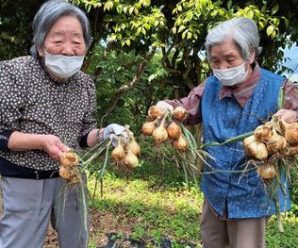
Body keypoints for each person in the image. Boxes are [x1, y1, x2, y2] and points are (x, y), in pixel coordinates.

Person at [157, 17, 298, 248]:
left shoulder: (279, 89)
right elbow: (186, 108)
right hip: (215, 189)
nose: (222, 68)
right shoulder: (210, 86)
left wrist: (292, 117)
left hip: (252, 195)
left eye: (230, 59)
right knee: (211, 242)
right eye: (215, 61)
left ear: (250, 54)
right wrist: (167, 108)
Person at [0, 1, 126, 247]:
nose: (68, 50)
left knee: (77, 239)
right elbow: (2, 135)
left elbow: (83, 135)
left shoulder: (85, 84)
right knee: (20, 243)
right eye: (57, 41)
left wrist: (104, 134)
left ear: (86, 46)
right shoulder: (14, 73)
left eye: (77, 42)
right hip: (27, 176)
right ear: (39, 45)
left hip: (71, 176)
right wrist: (41, 142)